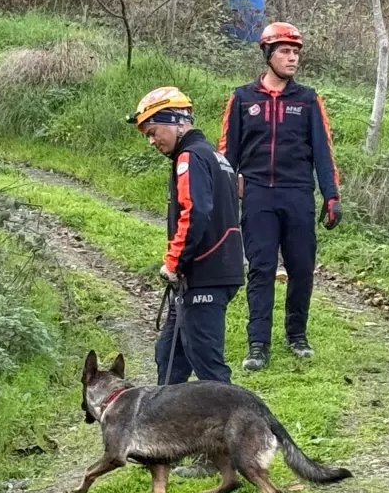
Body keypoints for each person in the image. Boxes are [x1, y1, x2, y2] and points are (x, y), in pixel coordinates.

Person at [219, 22, 342, 372]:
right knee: (261, 268)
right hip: (258, 194)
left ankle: (297, 333)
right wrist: (225, 194)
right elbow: (228, 153)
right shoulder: (242, 98)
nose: (293, 58)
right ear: (268, 55)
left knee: (302, 267)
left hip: (298, 194)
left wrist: (330, 196)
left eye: (296, 52)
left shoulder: (307, 99)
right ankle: (258, 343)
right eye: (286, 52)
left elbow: (323, 151)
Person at [128, 86, 244, 386]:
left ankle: (239, 430)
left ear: (176, 121)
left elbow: (195, 213)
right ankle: (167, 429)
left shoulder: (189, 158)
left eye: (153, 131)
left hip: (205, 274)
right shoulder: (215, 156)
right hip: (217, 270)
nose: (152, 140)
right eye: (147, 136)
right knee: (169, 357)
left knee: (209, 367)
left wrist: (173, 262)